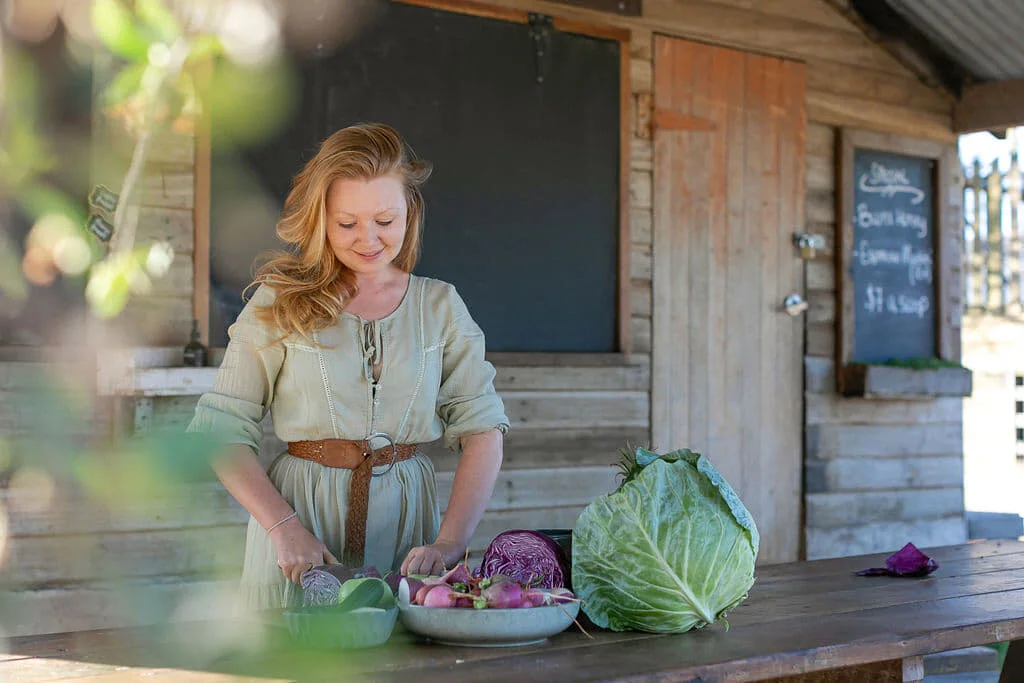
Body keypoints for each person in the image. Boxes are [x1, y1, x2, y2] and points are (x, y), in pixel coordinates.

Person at [186, 122, 509, 611]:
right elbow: (220, 431)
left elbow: (483, 431)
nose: (368, 239)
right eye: (347, 223)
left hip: (407, 535)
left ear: (410, 212)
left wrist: (449, 543)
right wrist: (284, 529)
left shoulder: (441, 306)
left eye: (385, 220)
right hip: (299, 535)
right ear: (321, 219)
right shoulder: (278, 302)